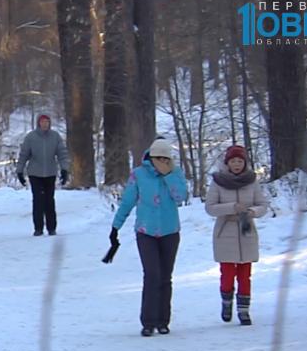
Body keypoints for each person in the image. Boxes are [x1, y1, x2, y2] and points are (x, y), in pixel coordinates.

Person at [109, 138, 188, 336]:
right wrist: (116, 226)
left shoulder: (175, 173)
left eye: (166, 158)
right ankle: (148, 321)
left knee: (165, 277)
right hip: (146, 232)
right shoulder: (139, 175)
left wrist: (169, 176)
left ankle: (163, 320)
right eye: (158, 158)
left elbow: (181, 197)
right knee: (152, 274)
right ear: (151, 158)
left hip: (170, 231)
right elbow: (128, 201)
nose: (162, 162)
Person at [204, 145, 269, 325]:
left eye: (240, 161)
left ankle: (244, 310)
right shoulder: (218, 181)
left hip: (246, 230)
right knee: (227, 273)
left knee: (245, 274)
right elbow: (210, 208)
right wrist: (230, 207)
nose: (237, 164)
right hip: (225, 230)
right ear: (227, 163)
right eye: (233, 161)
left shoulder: (252, 181)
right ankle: (226, 302)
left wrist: (252, 212)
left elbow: (263, 204)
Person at [16, 114, 69, 236]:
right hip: (35, 173)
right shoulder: (31, 137)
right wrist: (20, 171)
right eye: (43, 122)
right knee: (38, 201)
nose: (45, 124)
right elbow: (24, 155)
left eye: (47, 122)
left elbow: (62, 153)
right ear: (38, 123)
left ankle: (51, 228)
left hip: (50, 173)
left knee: (49, 201)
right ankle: (38, 228)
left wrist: (64, 169)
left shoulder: (55, 137)